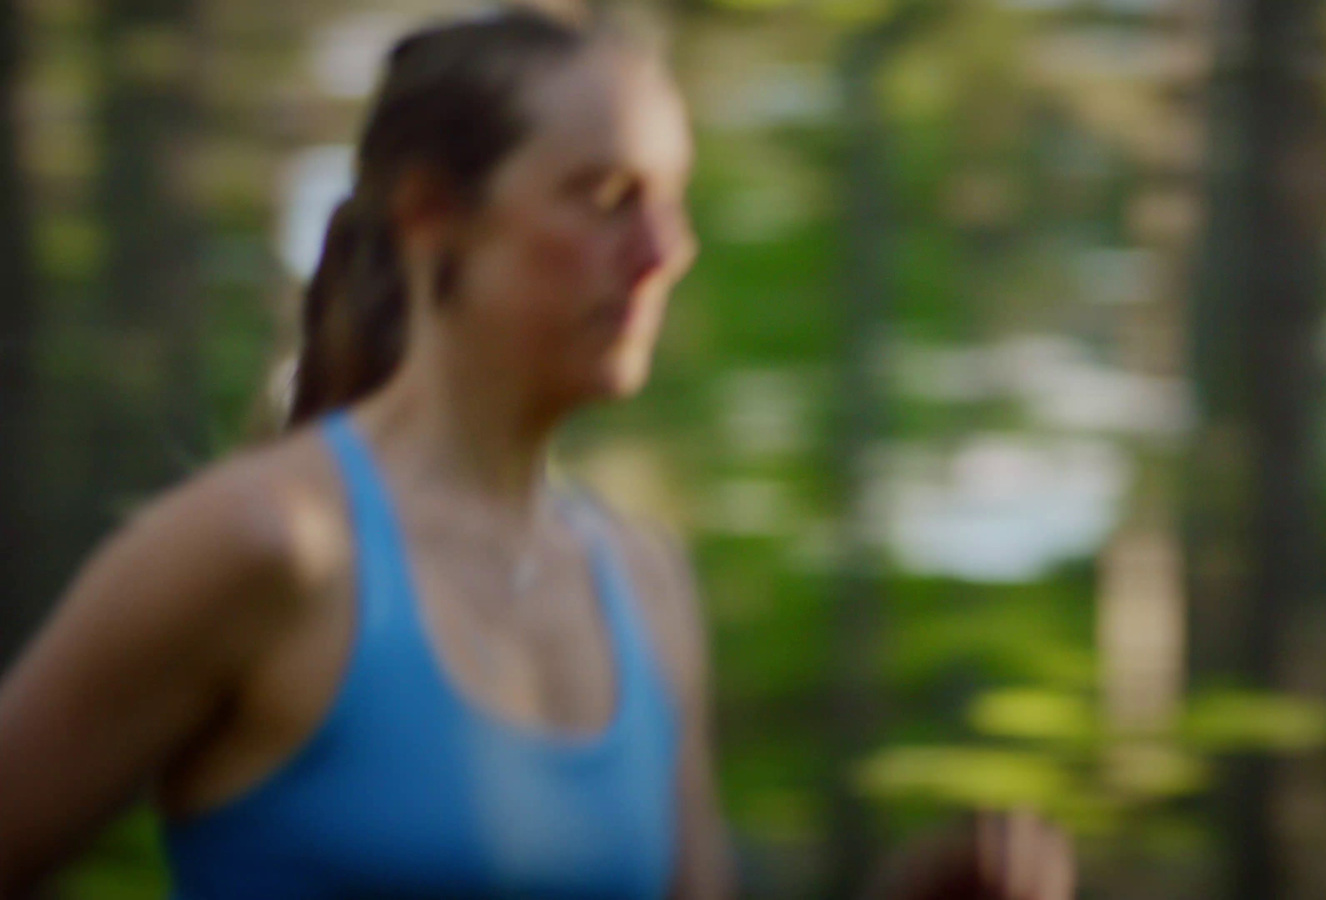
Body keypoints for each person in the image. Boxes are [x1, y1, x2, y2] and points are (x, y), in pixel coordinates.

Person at [0, 6, 1073, 899]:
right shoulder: (269, 546)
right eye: (605, 201)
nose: (661, 256)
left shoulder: (646, 586)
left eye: (671, 204)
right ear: (432, 214)